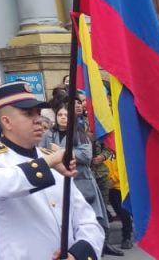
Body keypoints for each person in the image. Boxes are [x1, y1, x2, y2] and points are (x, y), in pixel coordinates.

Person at [0, 81, 103, 260]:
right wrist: (47, 163)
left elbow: (85, 218)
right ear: (6, 122)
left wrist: (77, 253)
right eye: (28, 113)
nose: (38, 119)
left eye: (39, 113)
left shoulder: (50, 157)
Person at [41, 101, 121, 257]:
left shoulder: (80, 134)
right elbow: (42, 153)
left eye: (66, 115)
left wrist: (63, 152)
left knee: (88, 219)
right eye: (60, 115)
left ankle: (93, 248)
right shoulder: (48, 134)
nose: (63, 118)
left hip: (81, 180)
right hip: (57, 182)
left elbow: (86, 156)